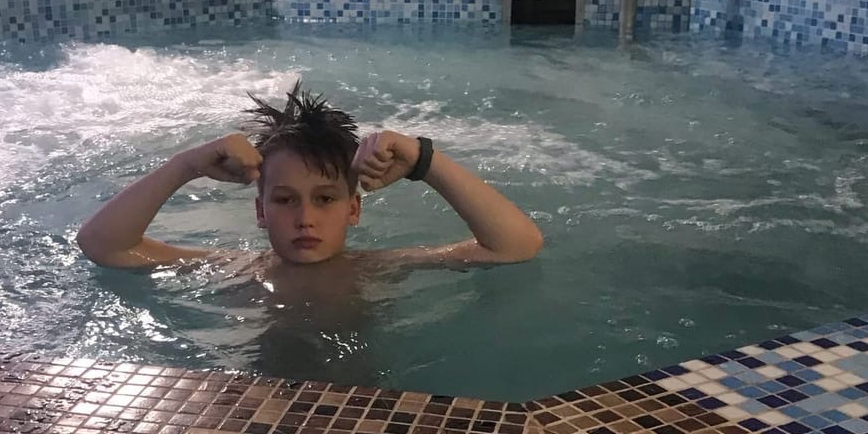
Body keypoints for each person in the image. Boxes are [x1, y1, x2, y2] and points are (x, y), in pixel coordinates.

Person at [76, 81, 543, 271]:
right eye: (284, 200)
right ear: (260, 211)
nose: (305, 218)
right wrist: (185, 166)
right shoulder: (238, 271)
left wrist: (425, 160)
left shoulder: (379, 271)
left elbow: (517, 246)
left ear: (354, 208)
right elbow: (102, 245)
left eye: (325, 198)